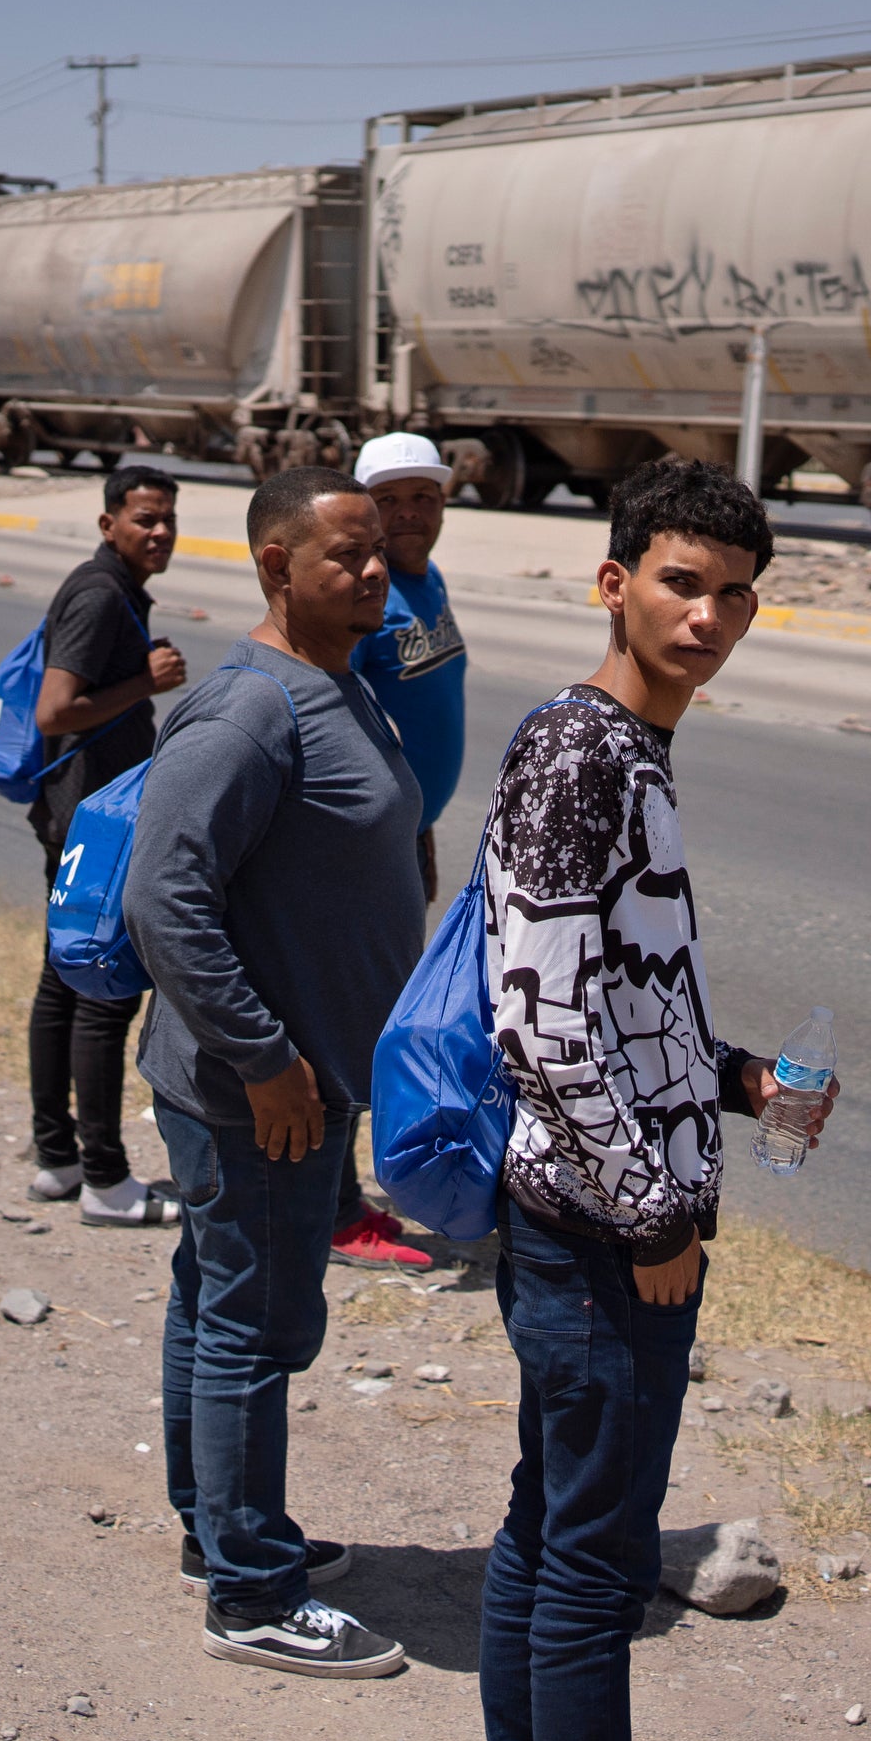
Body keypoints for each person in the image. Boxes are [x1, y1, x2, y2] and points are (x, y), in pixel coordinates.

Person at [476, 458, 830, 1741]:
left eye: (736, 594)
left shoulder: (632, 748)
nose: (710, 618)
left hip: (597, 1225)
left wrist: (743, 1081)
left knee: (554, 1523)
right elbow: (543, 1026)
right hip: (598, 1243)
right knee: (596, 1567)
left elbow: (624, 998)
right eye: (684, 584)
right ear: (614, 583)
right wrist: (653, 1218)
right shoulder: (583, 753)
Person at [127, 463, 424, 1679]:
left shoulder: (342, 682)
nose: (371, 571)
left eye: (376, 554)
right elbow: (165, 895)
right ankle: (252, 1593)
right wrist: (266, 1061)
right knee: (256, 1319)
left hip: (303, 1078)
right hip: (258, 1092)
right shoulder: (251, 707)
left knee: (217, 1295)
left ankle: (221, 1531)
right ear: (274, 567)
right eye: (343, 556)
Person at [25, 463, 188, 1228]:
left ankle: (57, 1159)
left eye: (166, 520)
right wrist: (146, 682)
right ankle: (105, 1180)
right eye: (143, 519)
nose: (158, 533)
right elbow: (56, 712)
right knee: (102, 993)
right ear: (107, 525)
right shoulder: (98, 594)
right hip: (96, 826)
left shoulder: (112, 588)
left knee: (62, 985)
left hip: (77, 817)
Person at [329, 429, 473, 1274]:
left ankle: (351, 1183)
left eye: (426, 496)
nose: (411, 513)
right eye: (392, 500)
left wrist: (419, 827)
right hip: (365, 840)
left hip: (405, 831)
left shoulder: (425, 581)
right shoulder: (368, 593)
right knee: (359, 1013)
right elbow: (336, 713)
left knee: (386, 1005)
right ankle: (338, 1210)